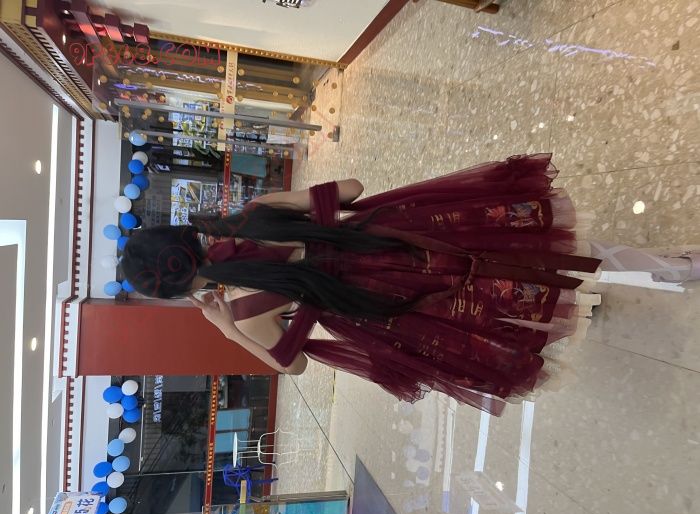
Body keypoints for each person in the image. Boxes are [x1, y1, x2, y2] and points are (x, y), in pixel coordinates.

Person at [120, 154, 698, 415]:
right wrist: (320, 232)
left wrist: (229, 333)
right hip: (403, 236)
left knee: (514, 297)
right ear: (183, 233)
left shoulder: (246, 311)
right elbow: (351, 188)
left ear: (181, 289)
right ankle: (674, 264)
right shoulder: (254, 214)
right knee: (540, 250)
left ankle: (656, 275)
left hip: (396, 302)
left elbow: (292, 366)